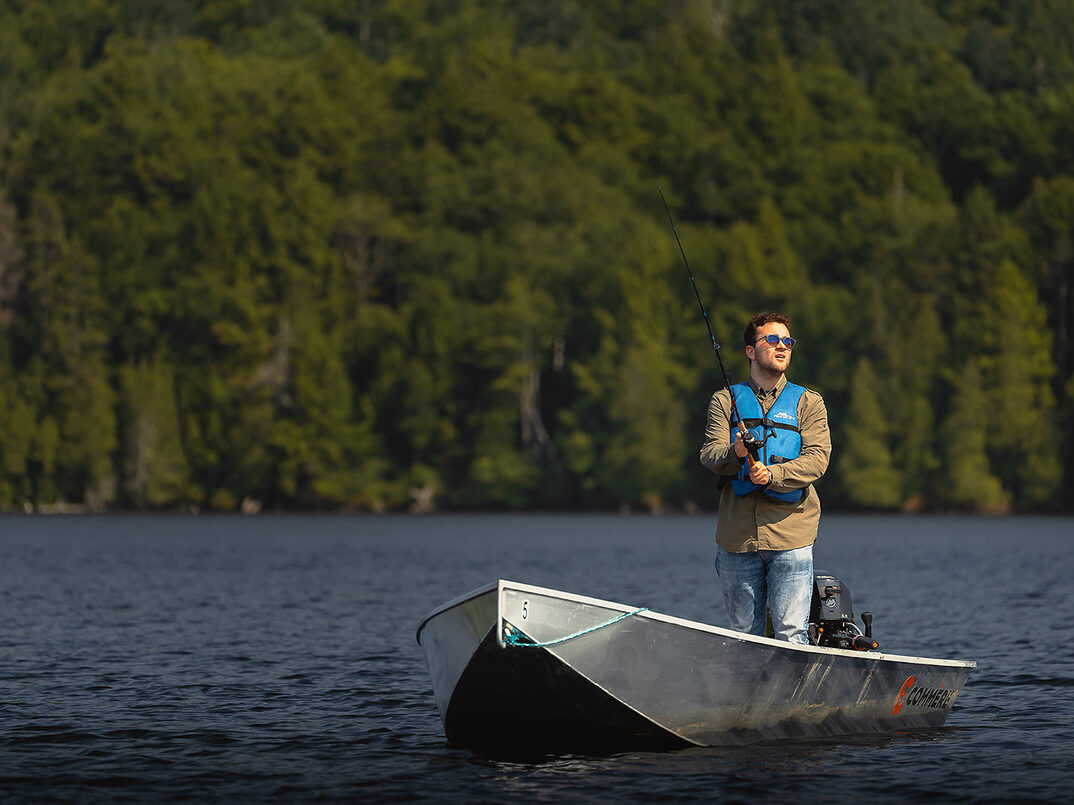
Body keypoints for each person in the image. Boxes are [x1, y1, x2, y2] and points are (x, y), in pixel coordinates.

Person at [699, 312, 831, 643]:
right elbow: (709, 455)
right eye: (771, 340)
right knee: (744, 639)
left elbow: (817, 460)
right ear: (750, 350)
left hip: (792, 536)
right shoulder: (724, 400)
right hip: (737, 538)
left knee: (790, 634)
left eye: (787, 341)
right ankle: (748, 696)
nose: (782, 346)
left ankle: (795, 696)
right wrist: (738, 452)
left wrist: (772, 474)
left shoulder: (809, 402)